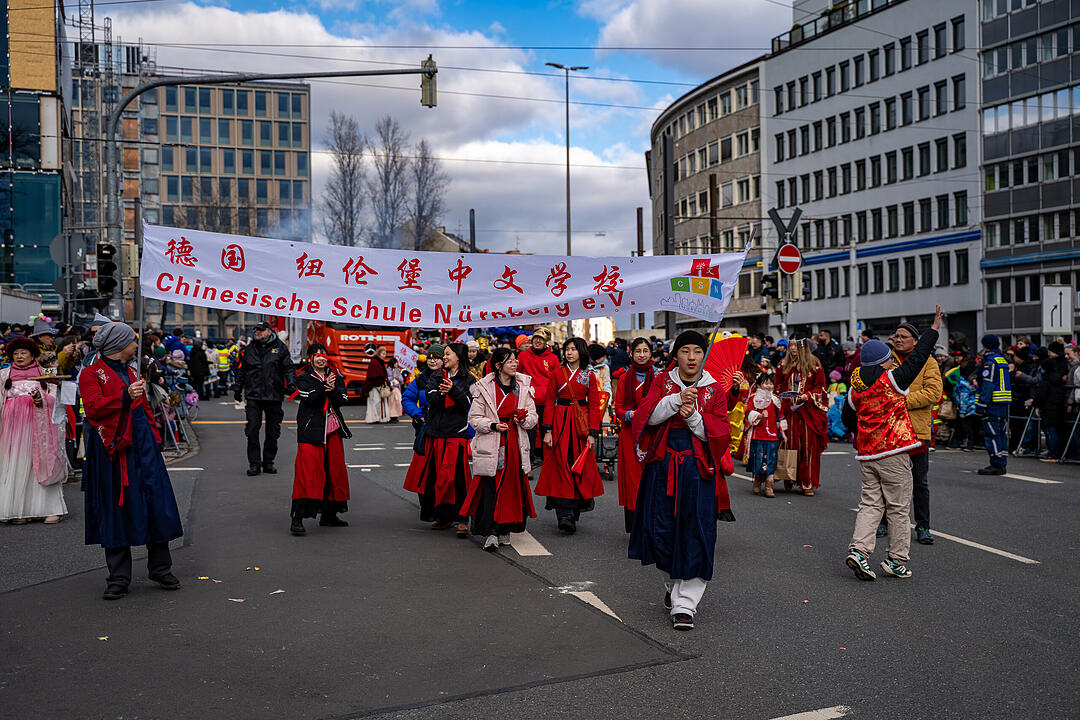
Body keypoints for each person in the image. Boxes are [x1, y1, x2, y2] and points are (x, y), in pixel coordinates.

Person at [629, 330, 734, 631]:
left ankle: (685, 604)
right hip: (663, 468)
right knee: (660, 531)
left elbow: (721, 434)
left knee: (696, 532)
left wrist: (694, 418)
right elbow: (646, 417)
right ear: (676, 355)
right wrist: (675, 400)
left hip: (698, 471)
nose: (691, 357)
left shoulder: (714, 389)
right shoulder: (663, 381)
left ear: (704, 355)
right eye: (685, 350)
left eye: (697, 351)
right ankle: (672, 583)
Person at [80, 322, 183, 600]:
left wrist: (156, 442)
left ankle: (160, 568)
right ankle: (118, 577)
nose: (136, 345)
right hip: (112, 449)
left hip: (144, 446)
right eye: (132, 340)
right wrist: (124, 396)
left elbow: (146, 409)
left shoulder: (132, 371)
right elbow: (93, 408)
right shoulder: (90, 374)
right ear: (119, 345)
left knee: (155, 503)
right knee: (116, 507)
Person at [842, 306, 943, 581]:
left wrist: (867, 431)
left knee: (870, 504)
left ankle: (859, 551)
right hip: (893, 452)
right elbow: (919, 357)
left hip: (867, 455)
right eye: (888, 358)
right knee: (898, 508)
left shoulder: (854, 389)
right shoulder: (892, 380)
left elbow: (848, 420)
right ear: (883, 362)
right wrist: (933, 329)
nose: (892, 361)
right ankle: (896, 559)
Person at [463, 347, 538, 551]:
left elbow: (533, 417)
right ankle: (491, 531)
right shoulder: (484, 387)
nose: (515, 364)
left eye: (515, 360)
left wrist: (524, 419)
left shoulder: (523, 387)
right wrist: (493, 425)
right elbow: (474, 418)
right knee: (491, 487)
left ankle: (506, 527)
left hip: (515, 441)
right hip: (493, 441)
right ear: (498, 366)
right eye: (510, 361)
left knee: (512, 486)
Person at [877, 321, 942, 546]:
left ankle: (923, 525)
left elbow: (934, 393)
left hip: (916, 431)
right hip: (890, 430)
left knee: (919, 481)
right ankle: (883, 521)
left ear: (916, 341)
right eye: (896, 336)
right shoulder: (886, 360)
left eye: (903, 336)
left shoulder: (929, 362)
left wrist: (902, 402)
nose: (898, 339)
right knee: (887, 479)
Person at [403, 343, 474, 537]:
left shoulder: (469, 379)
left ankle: (461, 519)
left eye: (447, 354)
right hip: (435, 434)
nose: (444, 358)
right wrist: (443, 392)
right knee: (436, 479)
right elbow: (430, 397)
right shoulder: (435, 376)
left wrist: (452, 390)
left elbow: (468, 403)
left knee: (458, 479)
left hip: (456, 435)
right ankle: (443, 517)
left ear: (458, 356)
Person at [534, 338, 603, 533]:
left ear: (581, 352)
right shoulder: (557, 373)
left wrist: (593, 432)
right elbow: (549, 402)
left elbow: (594, 405)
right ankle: (565, 514)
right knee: (560, 464)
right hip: (560, 422)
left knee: (578, 465)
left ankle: (574, 511)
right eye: (567, 349)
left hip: (580, 424)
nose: (569, 352)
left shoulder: (589, 375)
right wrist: (547, 430)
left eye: (573, 349)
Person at [0, 337, 68, 524]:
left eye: (23, 352)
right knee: (16, 465)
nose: (19, 356)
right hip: (12, 430)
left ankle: (51, 509)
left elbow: (57, 397)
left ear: (32, 355)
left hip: (39, 428)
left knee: (41, 463)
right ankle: (19, 511)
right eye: (15, 353)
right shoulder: (4, 374)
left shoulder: (45, 373)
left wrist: (42, 401)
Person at [290, 344, 351, 536]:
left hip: (332, 431)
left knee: (334, 473)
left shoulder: (335, 376)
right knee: (307, 474)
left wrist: (333, 389)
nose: (321, 358)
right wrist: (326, 387)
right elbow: (310, 398)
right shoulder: (304, 378)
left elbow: (343, 399)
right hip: (310, 431)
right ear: (310, 359)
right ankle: (297, 518)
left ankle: (329, 515)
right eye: (317, 355)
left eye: (324, 355)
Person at [235, 321, 296, 476]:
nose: (258, 332)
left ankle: (268, 462)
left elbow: (288, 368)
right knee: (252, 429)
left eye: (261, 330)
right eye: (256, 330)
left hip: (273, 395)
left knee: (272, 431)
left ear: (269, 331)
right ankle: (254, 464)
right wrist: (237, 389)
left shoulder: (280, 348)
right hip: (254, 395)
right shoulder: (250, 349)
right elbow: (243, 370)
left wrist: (291, 384)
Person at [775, 339, 828, 495]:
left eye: (796, 346)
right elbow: (777, 386)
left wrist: (808, 396)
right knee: (789, 444)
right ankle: (788, 477)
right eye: (791, 345)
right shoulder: (782, 364)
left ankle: (807, 482)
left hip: (808, 413)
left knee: (808, 447)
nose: (792, 348)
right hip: (788, 412)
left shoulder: (815, 364)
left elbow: (821, 387)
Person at [614, 338, 655, 533]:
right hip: (630, 433)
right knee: (632, 479)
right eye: (638, 351)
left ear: (651, 353)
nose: (642, 355)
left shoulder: (659, 377)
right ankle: (635, 522)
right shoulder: (624, 378)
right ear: (631, 353)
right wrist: (630, 415)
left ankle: (652, 521)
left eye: (645, 351)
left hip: (652, 433)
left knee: (652, 476)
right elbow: (618, 408)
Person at [516, 328, 559, 465]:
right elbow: (516, 374)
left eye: (541, 339)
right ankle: (528, 460)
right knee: (529, 431)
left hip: (547, 400)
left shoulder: (553, 358)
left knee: (547, 429)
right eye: (535, 338)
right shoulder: (523, 356)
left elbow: (557, 378)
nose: (538, 341)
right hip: (528, 399)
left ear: (546, 342)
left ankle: (546, 458)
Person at [974, 334, 1011, 475]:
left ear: (986, 346)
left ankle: (996, 463)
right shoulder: (1001, 359)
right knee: (1001, 433)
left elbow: (988, 385)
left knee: (992, 433)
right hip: (1002, 403)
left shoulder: (989, 362)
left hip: (992, 403)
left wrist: (981, 406)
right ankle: (1002, 461)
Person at [746, 373, 786, 498]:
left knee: (771, 460)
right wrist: (759, 415)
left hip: (772, 435)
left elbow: (780, 416)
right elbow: (748, 412)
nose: (769, 386)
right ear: (758, 385)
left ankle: (769, 485)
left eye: (770, 383)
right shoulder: (753, 398)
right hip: (758, 435)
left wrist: (783, 432)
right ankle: (758, 480)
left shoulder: (775, 399)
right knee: (758, 459)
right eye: (765, 383)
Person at [1033, 342, 1069, 462]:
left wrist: (1036, 404)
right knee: (1056, 430)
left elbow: (1041, 394)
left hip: (1048, 406)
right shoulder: (1058, 377)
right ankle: (1056, 452)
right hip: (1058, 404)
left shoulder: (1046, 378)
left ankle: (1053, 454)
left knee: (1050, 430)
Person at [360, 343, 392, 424]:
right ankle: (376, 418)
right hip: (375, 386)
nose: (384, 356)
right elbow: (374, 376)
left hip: (375, 385)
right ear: (379, 353)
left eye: (385, 354)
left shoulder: (376, 362)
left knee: (376, 402)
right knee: (376, 402)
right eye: (383, 354)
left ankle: (375, 418)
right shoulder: (375, 362)